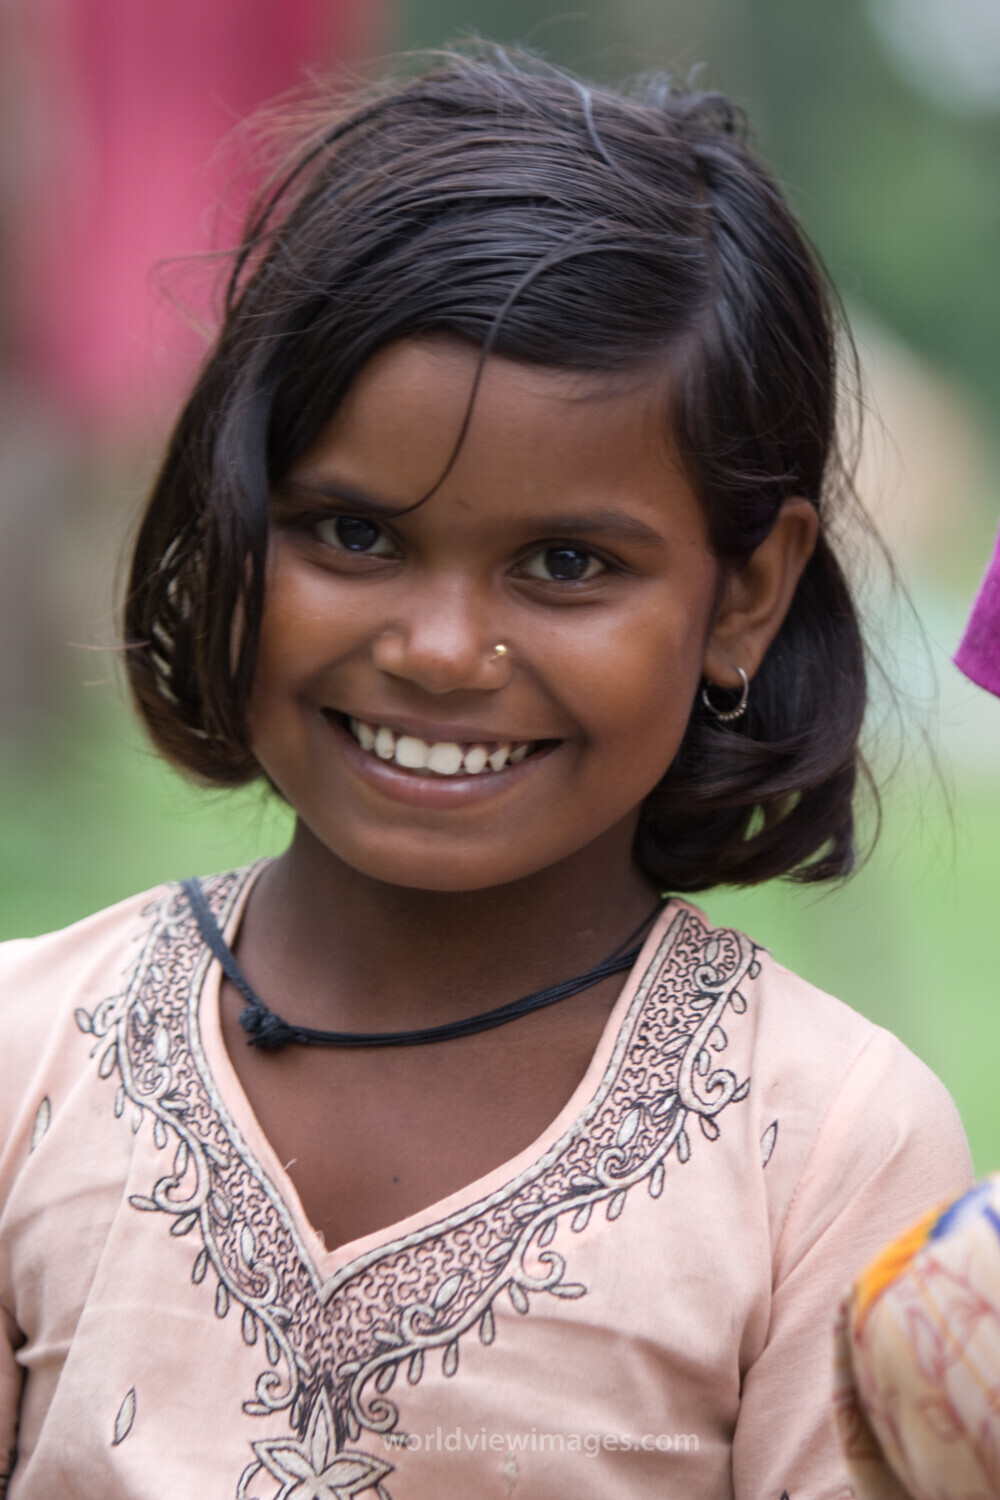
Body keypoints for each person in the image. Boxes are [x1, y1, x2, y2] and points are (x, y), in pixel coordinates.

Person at [0, 46, 972, 1499]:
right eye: (353, 536)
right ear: (233, 514)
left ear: (746, 597)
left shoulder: (821, 1145)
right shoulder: (31, 1059)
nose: (443, 649)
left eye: (567, 565)